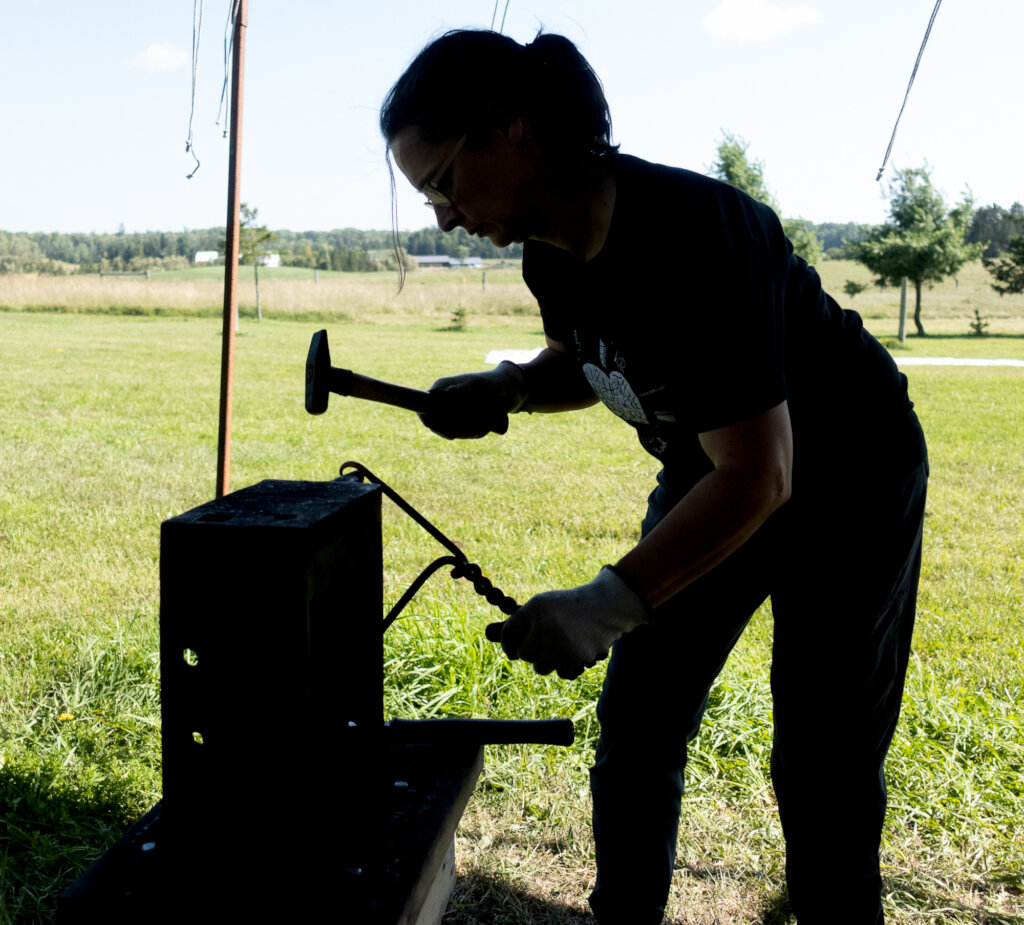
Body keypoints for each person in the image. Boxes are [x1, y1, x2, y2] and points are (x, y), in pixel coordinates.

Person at [381, 29, 928, 925]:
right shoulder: (548, 253)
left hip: (846, 476)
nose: (443, 215)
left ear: (511, 127)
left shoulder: (697, 232)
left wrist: (605, 601)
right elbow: (595, 362)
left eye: (442, 180)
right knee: (640, 719)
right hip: (715, 461)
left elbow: (762, 474)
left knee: (823, 755)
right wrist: (513, 384)